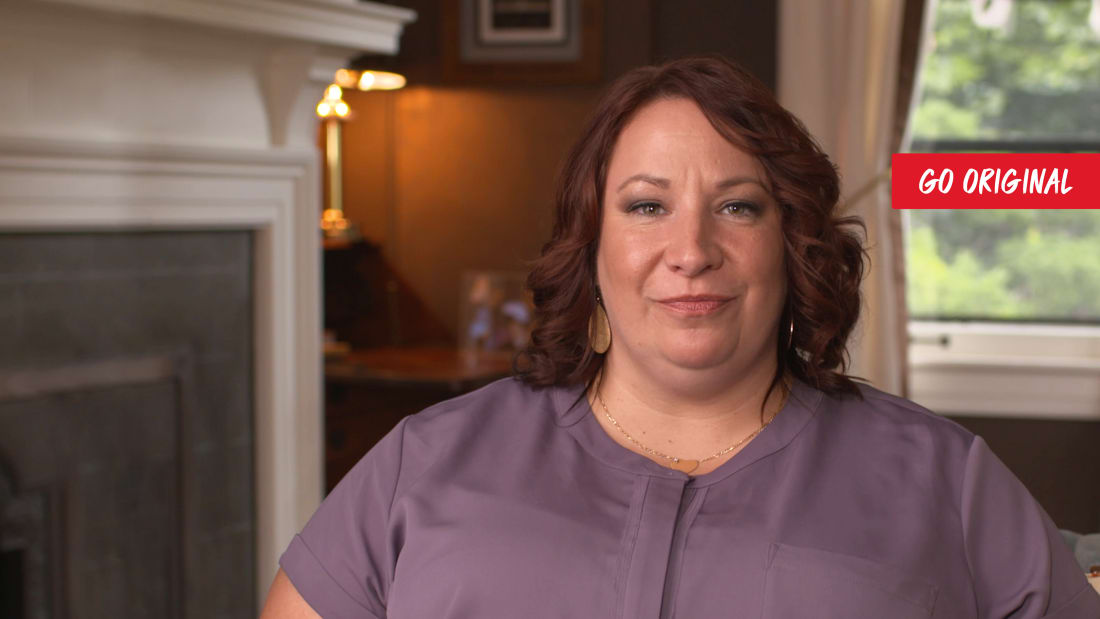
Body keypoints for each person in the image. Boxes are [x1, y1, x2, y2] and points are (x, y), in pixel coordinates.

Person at [260, 56, 1100, 618]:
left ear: (792, 242)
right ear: (591, 244)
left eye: (737, 206)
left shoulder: (946, 479)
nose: (691, 250)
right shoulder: (425, 461)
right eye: (647, 206)